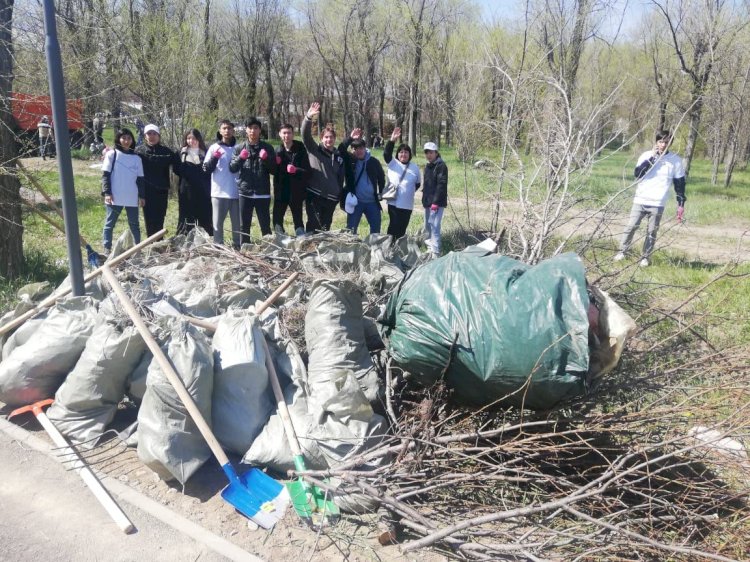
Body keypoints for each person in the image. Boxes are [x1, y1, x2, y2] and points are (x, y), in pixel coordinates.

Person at [614, 130, 686, 267]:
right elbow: (638, 174)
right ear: (656, 142)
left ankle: (645, 257)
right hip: (640, 199)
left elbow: (680, 184)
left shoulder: (675, 161)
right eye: (660, 141)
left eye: (666, 142)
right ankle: (622, 251)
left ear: (670, 143)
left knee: (652, 231)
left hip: (658, 202)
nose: (663, 144)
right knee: (631, 227)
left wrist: (681, 203)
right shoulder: (646, 155)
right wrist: (652, 158)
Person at [229, 117, 277, 243]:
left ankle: (269, 249)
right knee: (244, 226)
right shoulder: (239, 148)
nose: (253, 131)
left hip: (262, 192)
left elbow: (275, 171)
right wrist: (240, 158)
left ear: (260, 130)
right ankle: (245, 250)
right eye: (250, 128)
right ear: (246, 130)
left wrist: (266, 159)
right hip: (245, 192)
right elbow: (232, 168)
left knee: (265, 225)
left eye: (256, 128)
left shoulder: (268, 147)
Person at [301, 102, 345, 232]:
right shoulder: (314, 150)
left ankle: (322, 251)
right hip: (314, 195)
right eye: (326, 137)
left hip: (331, 198)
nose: (328, 140)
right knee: (313, 224)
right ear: (321, 139)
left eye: (331, 137)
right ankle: (310, 250)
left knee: (326, 227)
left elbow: (340, 177)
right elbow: (305, 135)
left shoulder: (338, 157)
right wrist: (308, 118)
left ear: (334, 139)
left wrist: (338, 194)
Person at [101, 128, 144, 253]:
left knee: (134, 224)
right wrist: (107, 193)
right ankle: (107, 248)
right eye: (123, 138)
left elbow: (140, 180)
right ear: (118, 139)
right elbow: (105, 175)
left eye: (129, 138)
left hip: (131, 196)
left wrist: (142, 196)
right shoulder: (112, 154)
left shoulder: (137, 159)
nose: (126, 141)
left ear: (132, 140)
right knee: (110, 223)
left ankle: (138, 248)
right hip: (115, 196)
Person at [135, 123, 180, 236]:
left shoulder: (167, 152)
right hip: (146, 191)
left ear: (159, 136)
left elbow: (179, 167)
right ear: (145, 136)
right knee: (149, 218)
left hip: (162, 190)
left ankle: (159, 241)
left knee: (160, 217)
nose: (152, 136)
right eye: (149, 133)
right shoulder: (138, 152)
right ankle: (151, 242)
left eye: (154, 133)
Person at [340, 128, 385, 235]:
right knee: (351, 230)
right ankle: (352, 249)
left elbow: (381, 177)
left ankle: (374, 249)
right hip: (356, 202)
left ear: (365, 148)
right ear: (352, 150)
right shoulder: (350, 160)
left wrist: (381, 192)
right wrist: (350, 138)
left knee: (376, 230)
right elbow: (340, 150)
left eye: (361, 148)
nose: (358, 151)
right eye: (355, 148)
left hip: (372, 202)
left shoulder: (373, 161)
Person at [204, 120, 241, 248]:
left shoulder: (239, 148)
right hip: (219, 191)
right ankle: (218, 246)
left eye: (230, 128)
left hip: (236, 192)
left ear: (233, 130)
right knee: (217, 223)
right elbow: (206, 169)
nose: (227, 131)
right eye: (224, 128)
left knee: (237, 223)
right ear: (220, 131)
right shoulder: (214, 148)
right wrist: (214, 158)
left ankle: (238, 245)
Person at [383, 126, 421, 240]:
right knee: (393, 226)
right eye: (401, 152)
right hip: (393, 202)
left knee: (402, 228)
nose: (403, 154)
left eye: (406, 152)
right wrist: (392, 140)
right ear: (398, 154)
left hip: (407, 204)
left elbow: (418, 184)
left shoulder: (415, 168)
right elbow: (386, 153)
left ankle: (398, 248)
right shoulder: (393, 163)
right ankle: (389, 246)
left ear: (410, 154)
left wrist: (407, 190)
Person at [273, 123, 309, 236]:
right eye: (284, 133)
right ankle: (280, 240)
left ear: (293, 134)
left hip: (296, 191)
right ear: (279, 134)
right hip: (281, 191)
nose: (286, 135)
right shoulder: (277, 150)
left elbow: (308, 171)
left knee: (298, 219)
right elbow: (271, 171)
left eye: (289, 133)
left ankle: (301, 241)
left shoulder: (301, 149)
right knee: (277, 219)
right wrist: (274, 164)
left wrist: (296, 170)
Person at [176, 128, 213, 236]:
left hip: (203, 189)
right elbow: (177, 169)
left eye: (194, 138)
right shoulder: (180, 152)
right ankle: (184, 237)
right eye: (188, 138)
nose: (191, 141)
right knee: (186, 215)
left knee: (204, 214)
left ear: (199, 139)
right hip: (186, 189)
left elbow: (208, 171)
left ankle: (206, 238)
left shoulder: (205, 152)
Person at [422, 141, 448, 257]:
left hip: (436, 203)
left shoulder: (441, 166)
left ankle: (436, 251)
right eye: (427, 152)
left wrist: (436, 202)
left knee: (435, 226)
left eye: (431, 152)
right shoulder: (428, 166)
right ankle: (430, 249)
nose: (429, 155)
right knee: (428, 226)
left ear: (436, 153)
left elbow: (441, 185)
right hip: (428, 202)